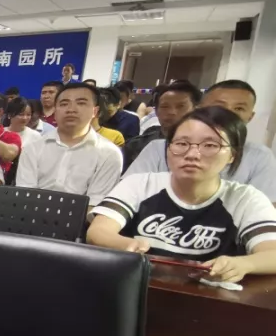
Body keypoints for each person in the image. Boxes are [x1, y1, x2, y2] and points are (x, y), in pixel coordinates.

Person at [88, 107, 276, 282]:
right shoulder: (140, 184)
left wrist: (244, 264)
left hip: (210, 295)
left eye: (210, 145)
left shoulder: (246, 199)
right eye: (181, 143)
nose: (192, 154)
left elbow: (272, 254)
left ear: (232, 155)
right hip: (137, 287)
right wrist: (125, 244)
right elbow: (98, 231)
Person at [126, 80, 276, 203]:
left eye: (239, 108)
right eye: (219, 106)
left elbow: (265, 211)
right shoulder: (158, 148)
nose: (228, 113)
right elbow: (129, 193)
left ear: (250, 116)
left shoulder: (259, 156)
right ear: (199, 109)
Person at [16, 83, 122, 202]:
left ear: (95, 111)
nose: (71, 109)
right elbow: (25, 196)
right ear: (55, 111)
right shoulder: (33, 148)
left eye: (81, 103)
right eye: (64, 104)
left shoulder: (109, 153)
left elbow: (95, 202)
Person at [121, 81, 199, 170]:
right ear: (157, 112)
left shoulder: (206, 148)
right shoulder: (136, 146)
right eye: (165, 107)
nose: (172, 112)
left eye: (181, 106)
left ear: (196, 110)